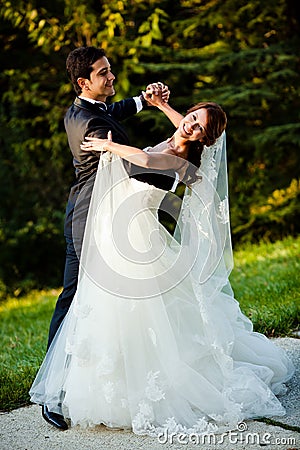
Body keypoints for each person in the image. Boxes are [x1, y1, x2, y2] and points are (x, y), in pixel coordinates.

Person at [30, 94, 294, 437]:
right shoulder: (180, 137)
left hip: (138, 239)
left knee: (135, 309)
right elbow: (181, 127)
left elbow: (142, 157)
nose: (191, 124)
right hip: (115, 226)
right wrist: (164, 107)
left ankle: (142, 387)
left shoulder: (183, 161)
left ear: (205, 140)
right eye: (193, 116)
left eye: (200, 126)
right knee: (101, 307)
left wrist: (107, 146)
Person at [42, 45, 181, 430]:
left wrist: (144, 100)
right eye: (104, 73)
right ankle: (54, 393)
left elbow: (114, 111)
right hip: (91, 217)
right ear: (84, 81)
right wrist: (175, 166)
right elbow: (133, 165)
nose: (112, 76)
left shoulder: (87, 108)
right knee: (76, 298)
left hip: (97, 210)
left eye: (110, 69)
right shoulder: (92, 128)